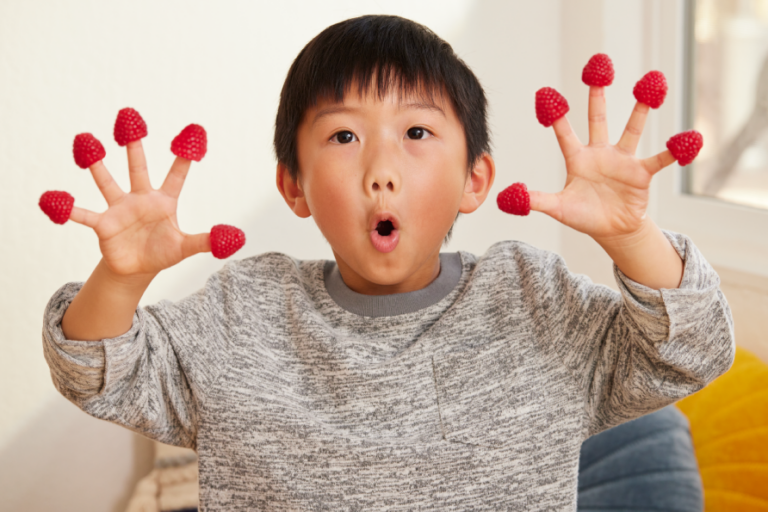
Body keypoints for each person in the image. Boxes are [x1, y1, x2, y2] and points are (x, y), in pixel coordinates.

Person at [42, 15, 735, 510]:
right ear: (293, 186)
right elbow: (99, 373)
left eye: (416, 131)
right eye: (344, 134)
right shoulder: (241, 312)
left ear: (475, 179)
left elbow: (692, 351)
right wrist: (122, 277)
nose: (381, 169)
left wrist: (629, 234)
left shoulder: (531, 298)